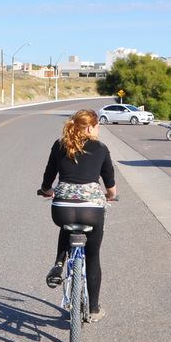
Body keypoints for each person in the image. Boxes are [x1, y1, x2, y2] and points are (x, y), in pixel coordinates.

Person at [38, 109, 116, 323]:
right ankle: (94, 309)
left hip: (62, 208)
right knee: (92, 256)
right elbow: (110, 184)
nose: (98, 130)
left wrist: (46, 190)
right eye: (98, 125)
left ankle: (58, 264)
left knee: (67, 225)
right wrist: (111, 196)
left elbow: (49, 175)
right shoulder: (101, 148)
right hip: (92, 210)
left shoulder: (60, 145)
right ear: (90, 127)